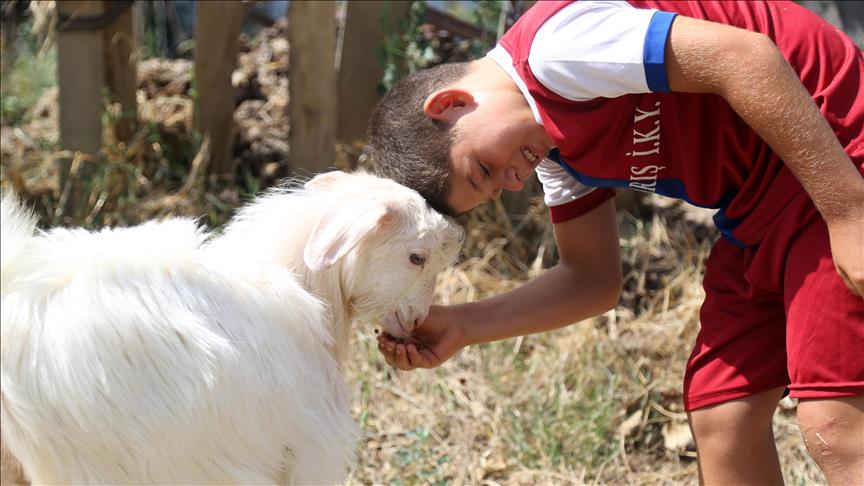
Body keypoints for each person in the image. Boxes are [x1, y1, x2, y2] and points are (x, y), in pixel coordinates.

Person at [366, 1, 863, 484]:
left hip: (836, 145)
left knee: (834, 424)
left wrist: (848, 212)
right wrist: (461, 324)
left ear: (451, 104)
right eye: (495, 189)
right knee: (722, 417)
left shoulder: (557, 52)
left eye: (483, 169)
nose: (513, 182)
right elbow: (592, 278)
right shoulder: (553, 150)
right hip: (760, 208)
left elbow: (747, 57)